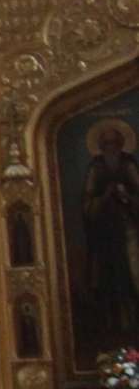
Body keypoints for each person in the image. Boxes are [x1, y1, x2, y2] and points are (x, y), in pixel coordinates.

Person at [80, 122, 139, 344]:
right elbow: (87, 203)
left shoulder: (128, 164)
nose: (110, 148)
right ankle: (111, 326)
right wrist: (104, 197)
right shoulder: (96, 167)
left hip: (129, 232)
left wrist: (126, 197)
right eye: (106, 144)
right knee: (107, 281)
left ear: (121, 144)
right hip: (105, 237)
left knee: (132, 277)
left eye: (114, 143)